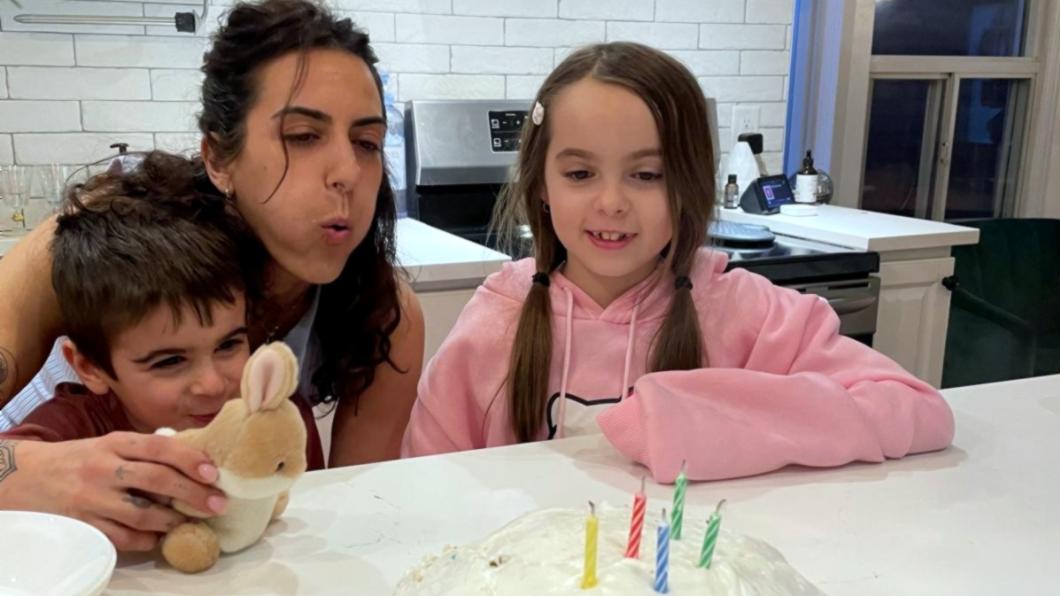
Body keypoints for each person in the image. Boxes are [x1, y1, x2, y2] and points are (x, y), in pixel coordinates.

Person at [401, 42, 955, 482]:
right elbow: (424, 488)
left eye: (647, 174)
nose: (612, 201)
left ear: (688, 182)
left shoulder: (750, 314)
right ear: (541, 185)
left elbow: (918, 411)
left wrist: (710, 416)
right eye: (579, 173)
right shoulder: (495, 322)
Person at [0, 0, 423, 468]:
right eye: (303, 136)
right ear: (219, 158)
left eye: (367, 144)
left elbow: (355, 500)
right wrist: (27, 472)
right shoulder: (107, 236)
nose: (348, 172)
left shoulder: (383, 312)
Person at [0, 152, 323, 551]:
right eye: (169, 361)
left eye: (229, 344)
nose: (211, 384)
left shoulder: (277, 418)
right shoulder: (70, 432)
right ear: (89, 367)